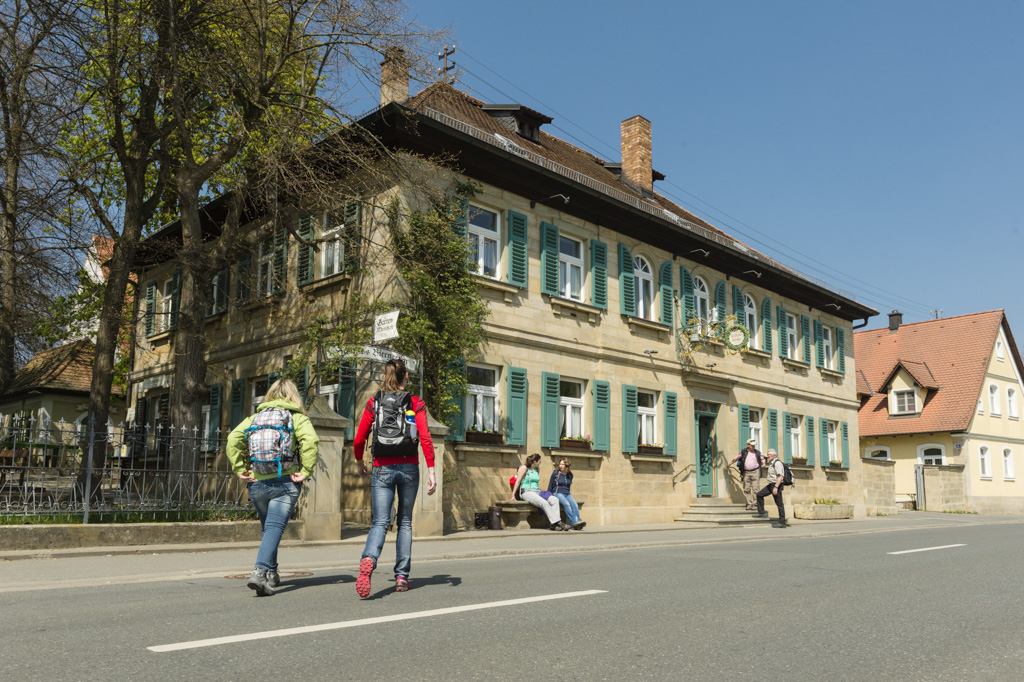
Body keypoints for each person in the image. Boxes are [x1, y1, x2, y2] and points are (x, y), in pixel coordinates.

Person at [226, 378, 319, 597]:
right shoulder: (296, 418)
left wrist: (239, 469)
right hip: (285, 482)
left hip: (257, 483)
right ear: (293, 396)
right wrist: (305, 470)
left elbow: (233, 439)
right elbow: (311, 442)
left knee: (269, 529)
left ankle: (272, 573)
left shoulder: (255, 418)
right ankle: (259, 573)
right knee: (275, 528)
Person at [353, 359, 436, 598]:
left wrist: (359, 461)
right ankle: (401, 577)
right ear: (405, 377)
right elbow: (426, 437)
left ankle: (368, 560)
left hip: (382, 468)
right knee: (405, 522)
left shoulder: (374, 401)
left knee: (380, 522)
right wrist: (431, 469)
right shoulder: (415, 402)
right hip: (409, 467)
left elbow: (359, 438)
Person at [510, 453, 570, 531]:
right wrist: (513, 496)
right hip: (527, 492)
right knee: (544, 502)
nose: (540, 463)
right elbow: (518, 481)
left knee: (555, 500)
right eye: (539, 461)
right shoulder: (524, 468)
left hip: (538, 491)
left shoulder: (537, 469)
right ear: (535, 461)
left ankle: (553, 524)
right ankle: (557, 522)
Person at [752, 448, 787, 528]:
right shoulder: (771, 463)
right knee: (759, 495)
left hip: (776, 485)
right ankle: (761, 512)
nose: (768, 456)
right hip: (771, 485)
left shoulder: (777, 463)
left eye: (770, 455)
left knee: (779, 504)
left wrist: (776, 487)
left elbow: (780, 476)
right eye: (767, 455)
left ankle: (782, 522)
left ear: (774, 455)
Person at [548, 458, 585, 530]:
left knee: (574, 504)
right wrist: (548, 495)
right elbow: (550, 485)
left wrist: (568, 494)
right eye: (560, 464)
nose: (561, 466)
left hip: (567, 493)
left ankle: (578, 521)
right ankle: (574, 522)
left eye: (563, 464)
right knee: (567, 504)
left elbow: (568, 486)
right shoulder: (555, 473)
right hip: (557, 492)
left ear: (567, 466)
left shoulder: (570, 475)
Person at [731, 439, 763, 510]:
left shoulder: (757, 452)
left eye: (754, 445)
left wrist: (763, 463)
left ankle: (755, 504)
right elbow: (737, 458)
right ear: (748, 445)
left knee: (756, 489)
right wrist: (730, 464)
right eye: (752, 445)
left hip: (755, 471)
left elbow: (762, 459)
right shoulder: (743, 452)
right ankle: (749, 504)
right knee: (747, 489)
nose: (753, 446)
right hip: (746, 472)